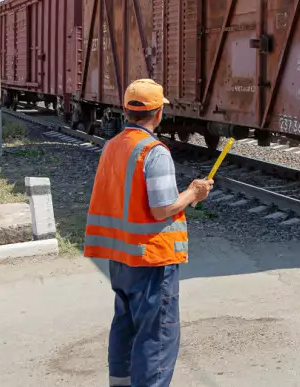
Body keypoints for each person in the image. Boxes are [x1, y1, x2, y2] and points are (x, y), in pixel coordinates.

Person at [84, 78, 214, 387]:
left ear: (126, 111)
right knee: (156, 336)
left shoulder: (112, 146)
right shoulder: (154, 152)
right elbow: (162, 208)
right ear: (158, 114)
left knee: (125, 325)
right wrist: (195, 191)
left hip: (120, 255)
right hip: (151, 257)